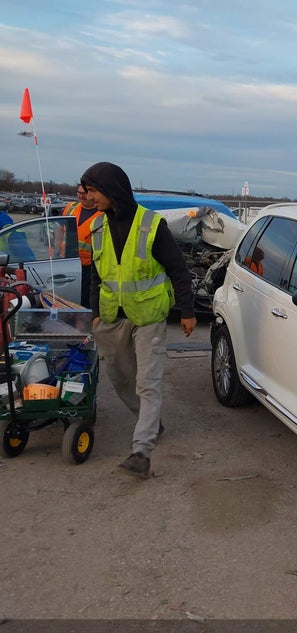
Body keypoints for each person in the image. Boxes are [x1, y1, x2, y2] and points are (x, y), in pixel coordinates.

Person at [80, 162, 197, 479]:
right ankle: (152, 421)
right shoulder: (96, 228)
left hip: (148, 317)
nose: (88, 197)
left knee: (148, 383)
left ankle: (141, 451)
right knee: (119, 378)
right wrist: (93, 315)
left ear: (110, 189)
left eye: (92, 191)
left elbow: (178, 269)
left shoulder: (151, 224)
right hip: (110, 318)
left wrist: (187, 312)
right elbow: (95, 277)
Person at [59, 184, 103, 308]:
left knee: (86, 303)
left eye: (84, 193)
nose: (81, 196)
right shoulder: (70, 208)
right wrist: (58, 248)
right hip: (67, 262)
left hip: (89, 267)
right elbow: (60, 228)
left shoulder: (102, 214)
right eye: (78, 192)